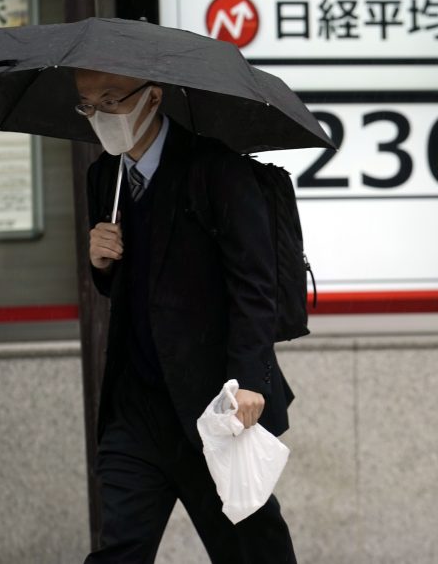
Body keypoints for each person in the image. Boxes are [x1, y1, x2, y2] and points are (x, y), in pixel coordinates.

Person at [77, 68, 298, 563]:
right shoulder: (103, 177)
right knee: (120, 550)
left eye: (110, 100)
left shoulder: (216, 169)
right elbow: (126, 288)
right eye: (87, 105)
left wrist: (247, 380)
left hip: (213, 407)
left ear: (152, 97)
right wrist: (101, 263)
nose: (100, 116)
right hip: (134, 411)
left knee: (250, 549)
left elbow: (254, 286)